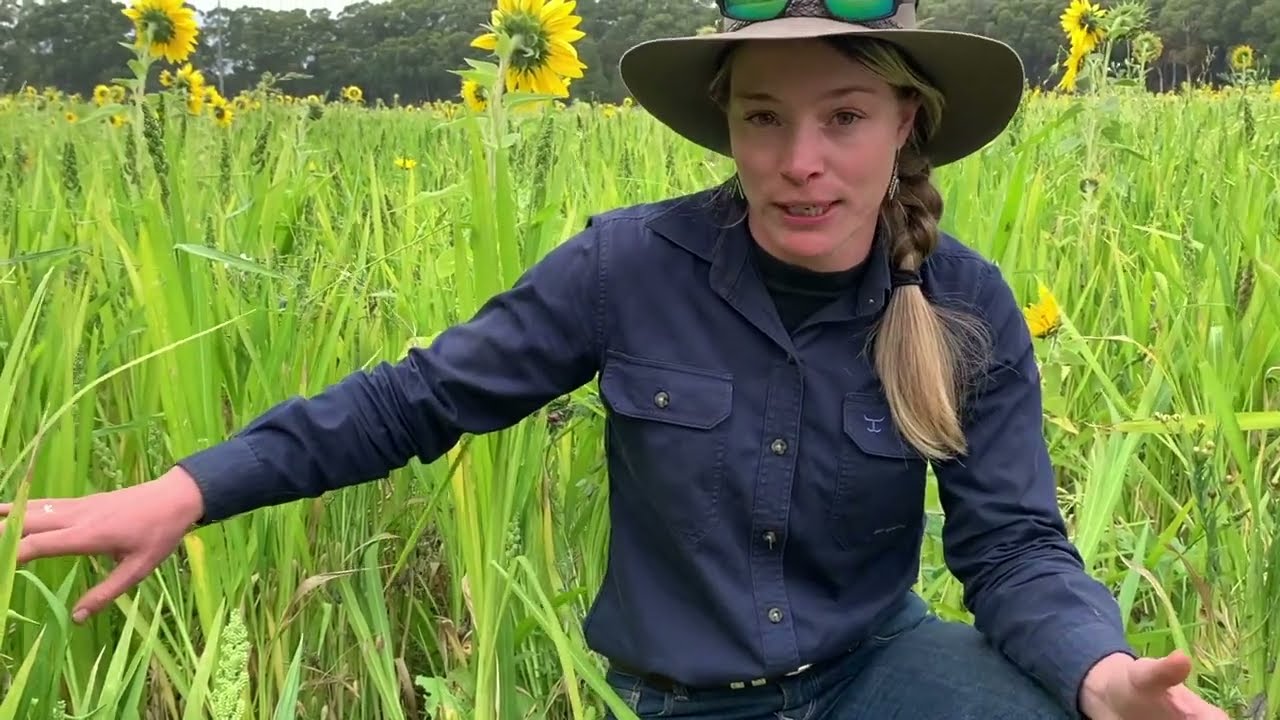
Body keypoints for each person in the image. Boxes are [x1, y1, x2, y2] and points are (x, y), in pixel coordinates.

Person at [1, 1, 1230, 719]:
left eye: (844, 116)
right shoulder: (623, 268)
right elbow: (414, 402)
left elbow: (1012, 546)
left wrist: (1100, 672)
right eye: (764, 117)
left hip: (877, 673)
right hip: (688, 701)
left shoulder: (962, 307)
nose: (801, 159)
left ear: (906, 121)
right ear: (730, 126)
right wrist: (189, 488)